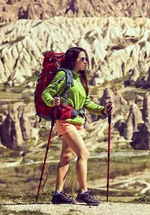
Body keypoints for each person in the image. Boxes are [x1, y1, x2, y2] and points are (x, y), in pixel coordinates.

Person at [41, 47, 114, 206]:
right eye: (82, 59)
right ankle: (83, 192)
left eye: (86, 59)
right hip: (65, 120)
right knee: (84, 153)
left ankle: (58, 194)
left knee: (66, 157)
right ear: (73, 60)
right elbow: (46, 93)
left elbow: (86, 103)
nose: (85, 62)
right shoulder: (63, 75)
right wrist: (52, 101)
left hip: (76, 121)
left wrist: (102, 110)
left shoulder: (80, 79)